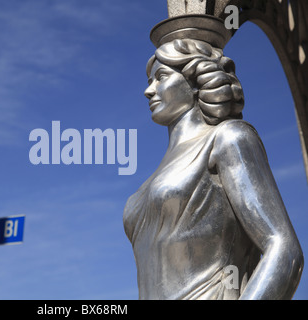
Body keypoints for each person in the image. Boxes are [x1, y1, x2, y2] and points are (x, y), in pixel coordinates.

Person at [123, 36, 304, 299]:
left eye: (161, 77)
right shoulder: (152, 178)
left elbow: (284, 249)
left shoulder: (227, 138)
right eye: (150, 81)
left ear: (196, 81)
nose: (149, 90)